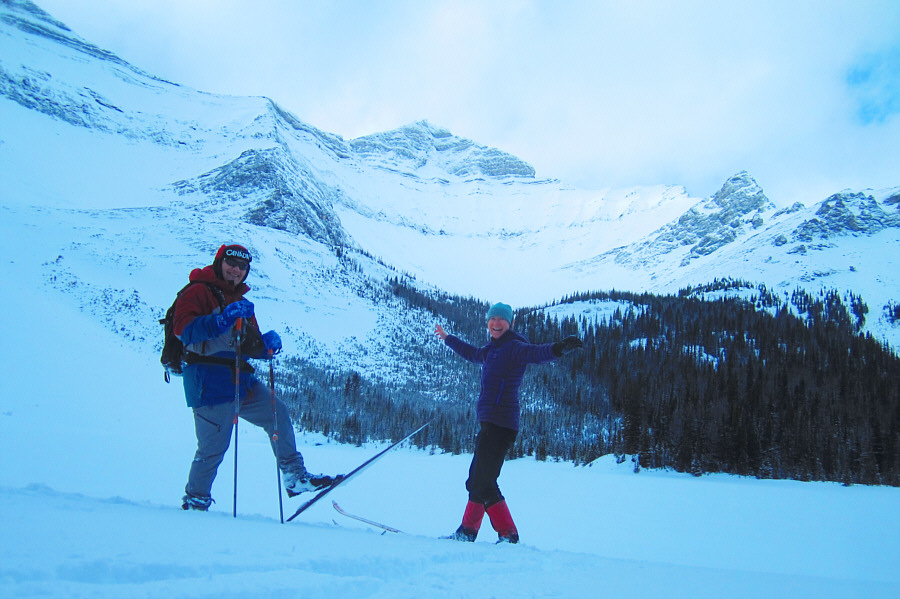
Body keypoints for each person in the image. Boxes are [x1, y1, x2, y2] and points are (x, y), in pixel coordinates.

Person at [173, 243, 336, 511]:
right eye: (231, 263)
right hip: (208, 382)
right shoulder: (197, 291)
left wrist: (265, 347)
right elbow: (183, 330)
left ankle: (295, 477)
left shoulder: (241, 303)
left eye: (242, 267)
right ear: (219, 262)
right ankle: (196, 500)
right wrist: (221, 320)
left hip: (240, 379)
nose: (236, 270)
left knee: (277, 413)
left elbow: (248, 345)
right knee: (213, 447)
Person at [435, 302, 583, 543]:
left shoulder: (514, 346)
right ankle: (485, 533)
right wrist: (447, 338)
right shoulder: (491, 350)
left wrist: (559, 348)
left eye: (501, 319)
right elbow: (471, 353)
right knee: (477, 480)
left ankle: (486, 533)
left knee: (481, 481)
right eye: (491, 319)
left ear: (510, 323)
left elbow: (535, 353)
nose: (495, 323)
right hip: (489, 424)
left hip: (501, 425)